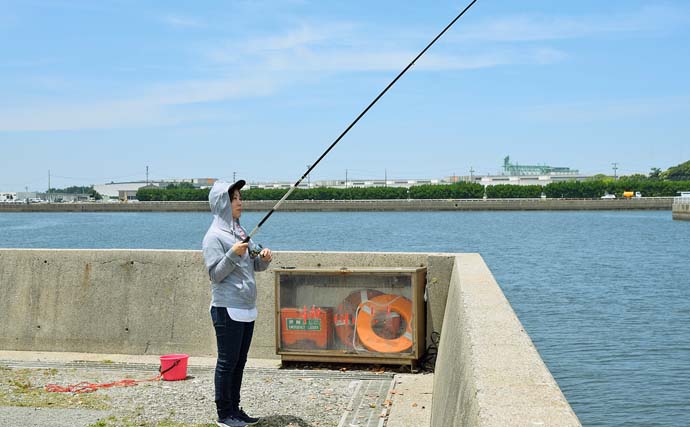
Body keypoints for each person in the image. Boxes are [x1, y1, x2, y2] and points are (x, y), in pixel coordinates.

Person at [202, 179, 273, 427]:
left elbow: (254, 265)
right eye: (234, 198)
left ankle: (235, 409)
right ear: (222, 203)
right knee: (227, 362)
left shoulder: (240, 232)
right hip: (226, 308)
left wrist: (263, 258)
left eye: (240, 197)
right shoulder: (213, 237)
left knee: (240, 362)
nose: (240, 202)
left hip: (246, 307)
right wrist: (233, 254)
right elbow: (214, 274)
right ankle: (224, 415)